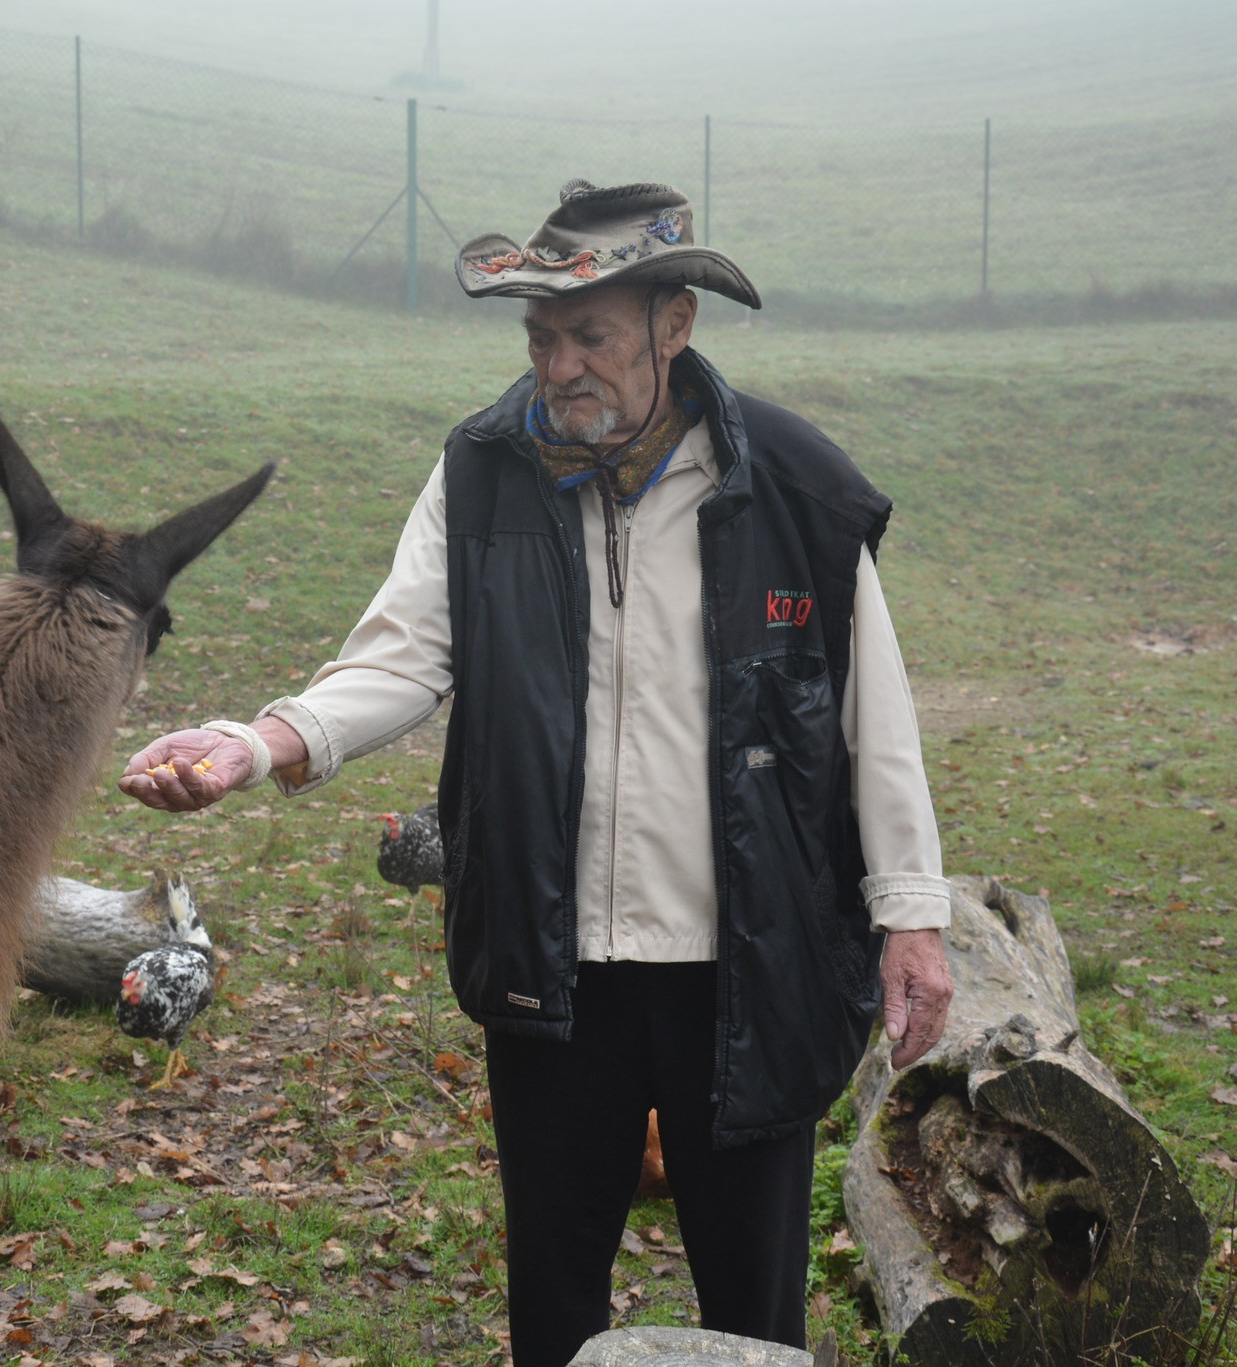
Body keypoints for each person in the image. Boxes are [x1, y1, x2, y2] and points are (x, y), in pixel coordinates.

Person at [120, 181, 952, 1366]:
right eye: (540, 337)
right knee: (555, 1301)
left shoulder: (791, 487)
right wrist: (255, 744)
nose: (559, 367)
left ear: (673, 325)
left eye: (589, 336)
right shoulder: (482, 471)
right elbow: (400, 655)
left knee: (752, 1311)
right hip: (550, 962)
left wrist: (910, 914)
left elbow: (876, 714)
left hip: (749, 962)